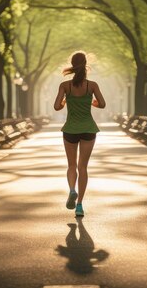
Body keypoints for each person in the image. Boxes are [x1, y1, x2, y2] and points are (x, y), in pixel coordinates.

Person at [54, 51, 106, 217]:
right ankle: (79, 206)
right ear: (85, 64)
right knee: (83, 167)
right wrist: (91, 101)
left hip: (70, 129)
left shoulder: (65, 86)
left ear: (73, 64)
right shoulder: (92, 85)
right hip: (88, 129)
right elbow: (102, 104)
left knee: (71, 165)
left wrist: (65, 101)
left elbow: (56, 107)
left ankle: (71, 190)